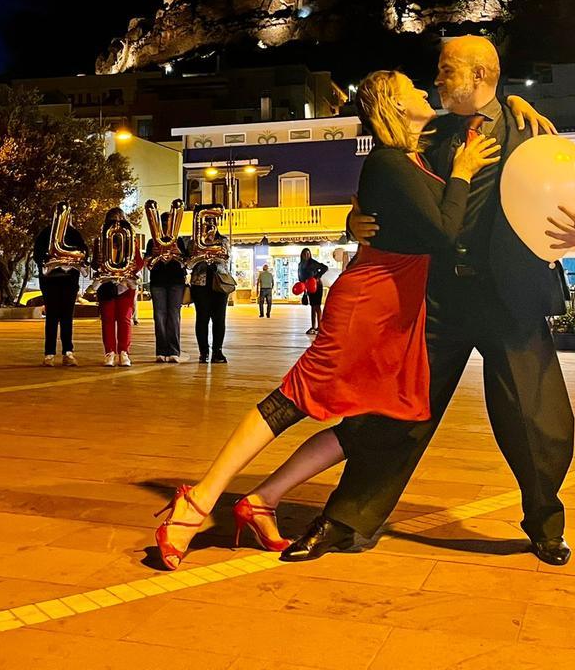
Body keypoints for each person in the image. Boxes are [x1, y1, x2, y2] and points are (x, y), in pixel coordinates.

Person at [283, 35, 575, 568]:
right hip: (439, 299)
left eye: (445, 69)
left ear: (479, 75)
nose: (435, 79)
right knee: (397, 414)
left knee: (537, 419)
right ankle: (344, 519)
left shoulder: (530, 131)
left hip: (511, 301)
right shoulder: (429, 135)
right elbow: (391, 188)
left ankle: (546, 525)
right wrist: (353, 220)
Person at [153, 69, 500, 569]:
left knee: (371, 423)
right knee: (295, 399)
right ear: (393, 105)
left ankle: (263, 499)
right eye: (412, 88)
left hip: (398, 311)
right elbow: (444, 232)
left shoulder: (415, 156)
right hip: (368, 304)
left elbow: (478, 119)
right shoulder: (388, 161)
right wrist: (463, 171)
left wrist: (517, 106)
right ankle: (198, 501)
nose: (425, 90)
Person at [33, 219, 84, 367]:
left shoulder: (74, 234)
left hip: (69, 280)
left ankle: (68, 352)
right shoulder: (46, 233)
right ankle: (49, 354)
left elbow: (83, 253)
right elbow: (37, 255)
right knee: (52, 317)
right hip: (50, 281)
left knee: (67, 317)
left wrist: (70, 257)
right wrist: (51, 259)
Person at [96, 207, 142, 368]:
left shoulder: (131, 241)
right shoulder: (100, 241)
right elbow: (94, 264)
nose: (116, 225)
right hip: (106, 285)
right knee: (107, 320)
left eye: (119, 221)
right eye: (112, 221)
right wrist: (98, 261)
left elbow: (139, 261)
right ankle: (109, 352)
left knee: (125, 320)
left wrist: (131, 269)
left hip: (125, 285)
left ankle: (124, 352)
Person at [190, 227, 232, 364]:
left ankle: (217, 351)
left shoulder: (223, 240)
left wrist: (213, 256)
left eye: (212, 221)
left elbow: (226, 259)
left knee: (219, 319)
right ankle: (203, 352)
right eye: (206, 221)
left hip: (220, 283)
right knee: (202, 319)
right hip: (200, 284)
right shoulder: (194, 241)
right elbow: (189, 263)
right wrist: (202, 255)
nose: (209, 225)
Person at [146, 234, 188, 363]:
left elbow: (187, 262)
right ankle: (161, 351)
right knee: (159, 316)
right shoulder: (152, 241)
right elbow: (147, 264)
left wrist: (179, 252)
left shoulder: (179, 241)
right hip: (157, 281)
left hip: (176, 281)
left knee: (174, 316)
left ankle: (173, 351)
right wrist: (153, 255)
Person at [298, 248, 327, 334]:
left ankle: (320, 327)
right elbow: (300, 276)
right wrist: (303, 286)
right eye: (305, 254)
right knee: (312, 306)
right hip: (309, 287)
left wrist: (317, 277)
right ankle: (313, 326)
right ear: (302, 255)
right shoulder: (301, 264)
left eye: (308, 253)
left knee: (317, 306)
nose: (306, 255)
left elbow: (325, 268)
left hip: (317, 286)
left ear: (310, 254)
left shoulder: (313, 262)